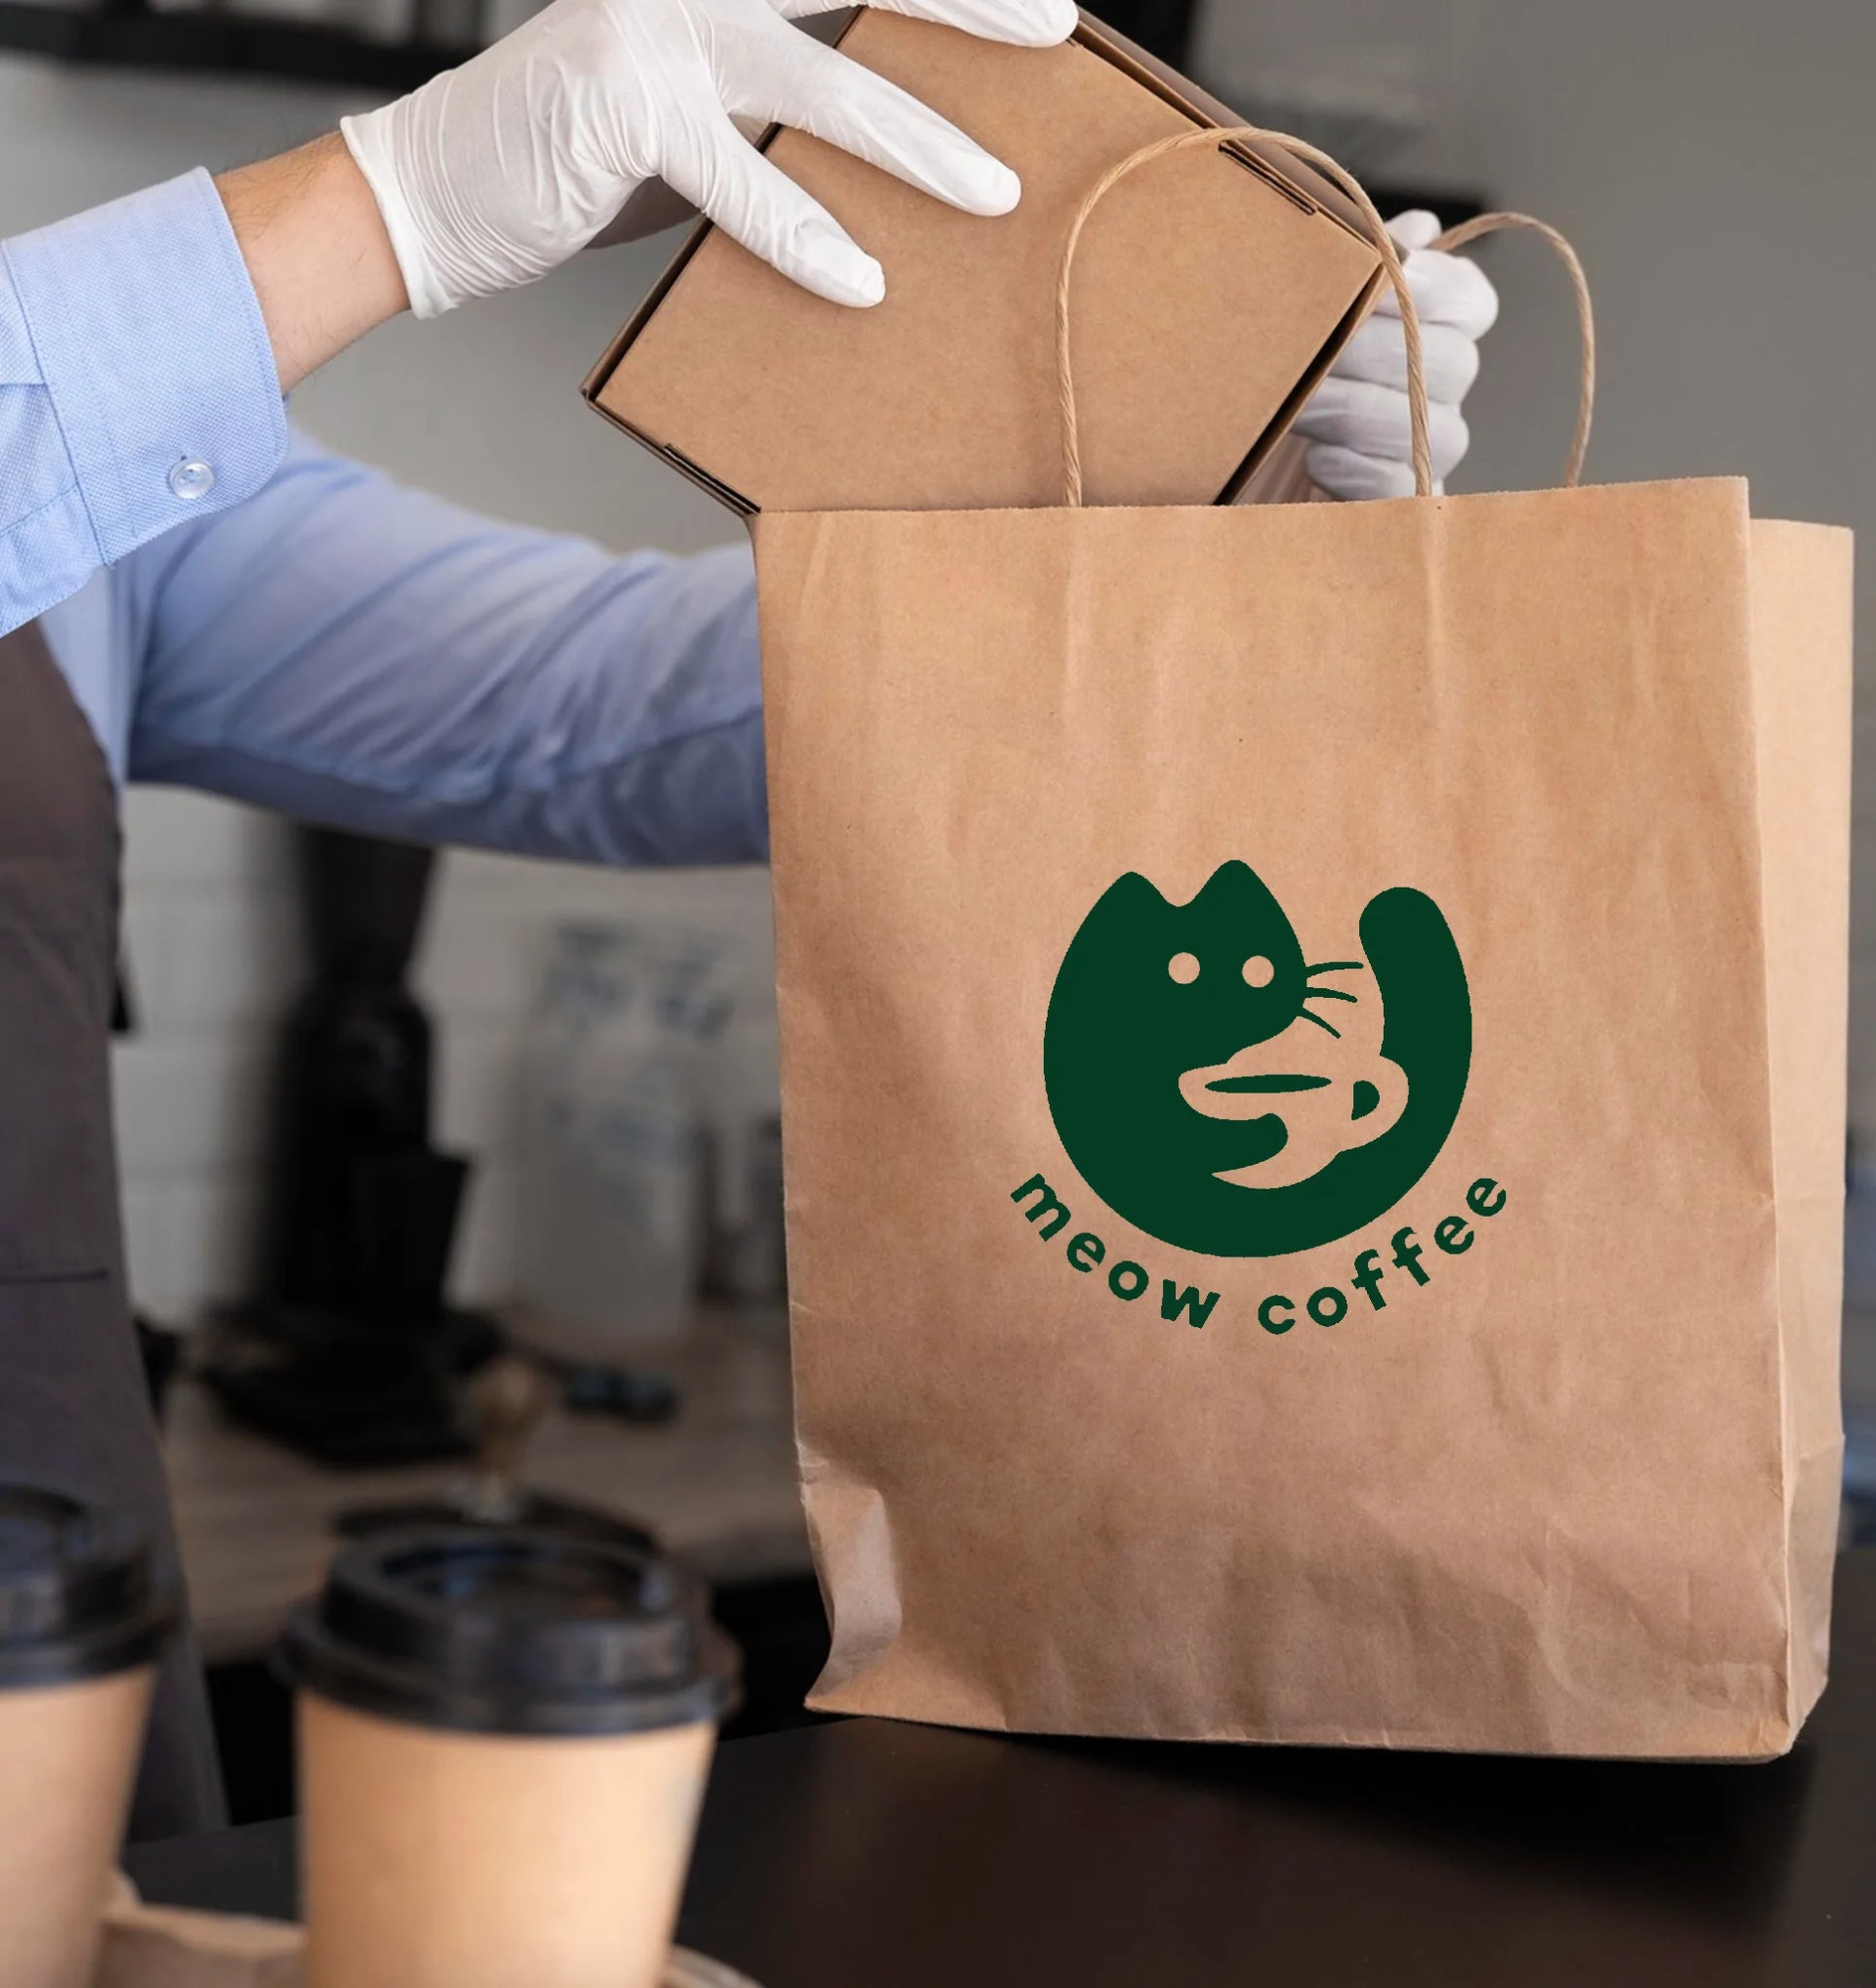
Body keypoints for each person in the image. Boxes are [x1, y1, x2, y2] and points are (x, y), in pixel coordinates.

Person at [0, 0, 1497, 1840]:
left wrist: (1184, 532)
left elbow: (599, 711)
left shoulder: (90, 455)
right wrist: (388, 198)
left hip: (43, 1593)